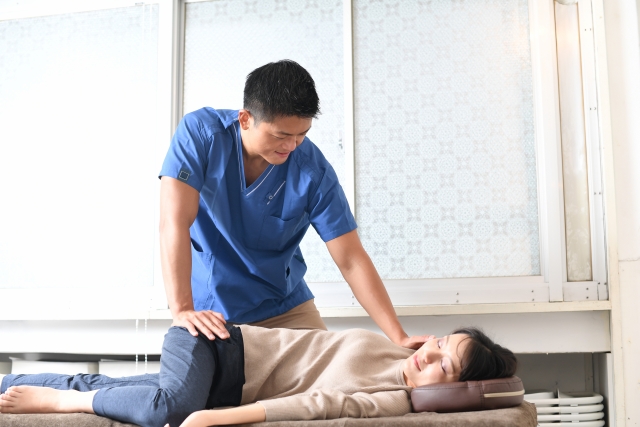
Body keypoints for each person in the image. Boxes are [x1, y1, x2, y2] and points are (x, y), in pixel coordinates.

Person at [159, 59, 426, 349]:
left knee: (335, 370)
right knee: (196, 377)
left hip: (284, 306)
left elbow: (351, 259)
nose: (292, 146)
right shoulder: (201, 135)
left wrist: (399, 337)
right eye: (281, 135)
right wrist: (182, 310)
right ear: (245, 119)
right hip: (210, 310)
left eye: (302, 134)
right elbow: (174, 221)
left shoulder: (312, 171)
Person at [0, 325, 517, 427]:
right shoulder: (394, 349)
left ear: (453, 390)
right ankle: (62, 403)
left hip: (221, 382)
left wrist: (220, 416)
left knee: (119, 391)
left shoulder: (394, 398)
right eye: (439, 343)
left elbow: (319, 405)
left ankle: (16, 385)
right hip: (212, 342)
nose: (429, 355)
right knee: (169, 410)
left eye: (444, 364)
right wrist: (206, 417)